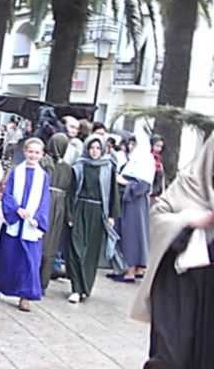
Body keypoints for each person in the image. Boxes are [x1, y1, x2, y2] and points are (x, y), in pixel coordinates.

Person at [131, 134, 214, 369]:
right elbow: (158, 216)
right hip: (179, 284)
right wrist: (191, 220)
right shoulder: (189, 184)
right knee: (170, 358)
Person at [0, 138, 50, 312]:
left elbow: (45, 200)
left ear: (42, 155)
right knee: (6, 257)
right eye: (30, 151)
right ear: (25, 152)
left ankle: (26, 295)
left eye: (37, 152)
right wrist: (15, 209)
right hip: (15, 222)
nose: (33, 155)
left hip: (31, 224)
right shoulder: (17, 172)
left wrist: (38, 218)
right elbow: (7, 193)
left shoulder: (43, 176)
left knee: (30, 261)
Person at [66, 135, 121, 303]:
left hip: (98, 213)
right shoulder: (79, 166)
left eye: (98, 148)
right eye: (92, 148)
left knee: (91, 252)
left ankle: (85, 287)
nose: (94, 151)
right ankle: (75, 288)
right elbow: (71, 191)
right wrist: (70, 214)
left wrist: (112, 215)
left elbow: (113, 193)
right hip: (80, 208)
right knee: (76, 249)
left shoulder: (108, 167)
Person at [111, 129, 155, 283]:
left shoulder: (145, 160)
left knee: (132, 236)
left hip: (134, 205)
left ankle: (130, 271)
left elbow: (142, 186)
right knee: (125, 234)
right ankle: (125, 268)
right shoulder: (137, 159)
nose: (131, 147)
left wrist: (124, 182)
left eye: (133, 144)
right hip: (128, 203)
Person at [39, 133, 73, 292]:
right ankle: (40, 283)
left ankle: (41, 281)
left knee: (48, 245)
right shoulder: (45, 163)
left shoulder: (64, 167)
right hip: (53, 205)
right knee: (46, 244)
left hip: (53, 205)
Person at [150, 135, 165, 201]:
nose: (159, 149)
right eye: (157, 146)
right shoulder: (149, 157)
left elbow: (162, 176)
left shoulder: (159, 159)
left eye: (161, 146)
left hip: (156, 191)